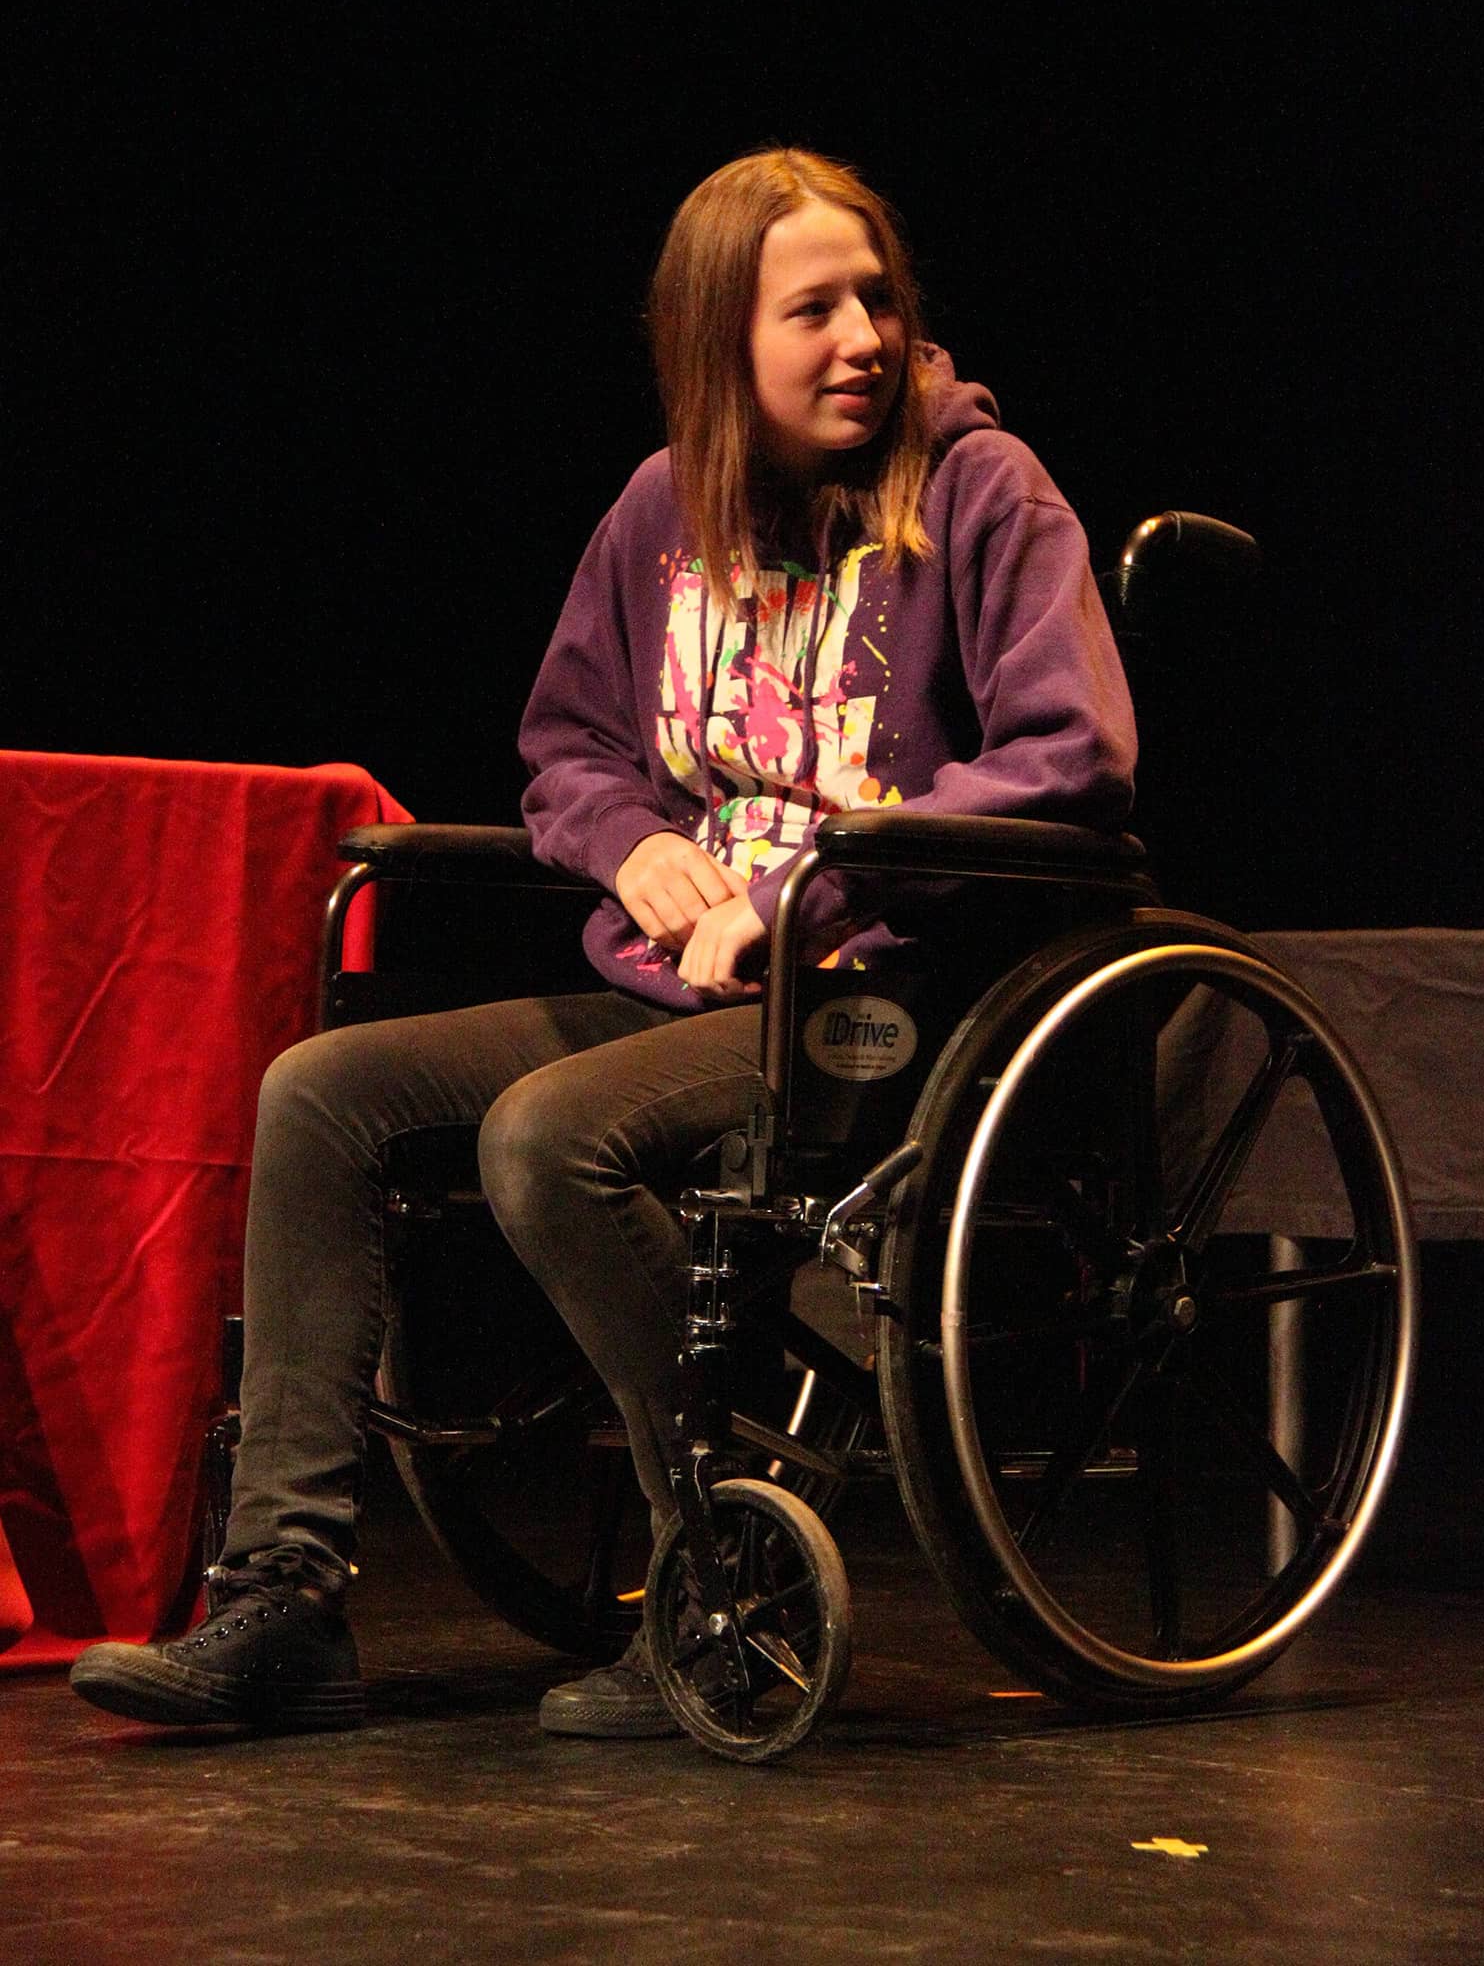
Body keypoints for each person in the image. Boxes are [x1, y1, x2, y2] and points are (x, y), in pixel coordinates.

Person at [69, 147, 1137, 1738]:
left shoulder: (979, 491)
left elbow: (1073, 753)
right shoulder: (660, 513)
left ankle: (716, 1565)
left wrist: (807, 892)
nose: (862, 335)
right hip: (672, 996)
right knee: (319, 1092)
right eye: (812, 309)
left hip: (886, 999)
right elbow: (566, 744)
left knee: (547, 1137)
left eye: (878, 299)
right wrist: (632, 844)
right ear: (723, 344)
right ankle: (284, 1596)